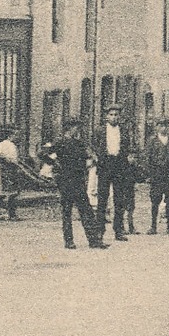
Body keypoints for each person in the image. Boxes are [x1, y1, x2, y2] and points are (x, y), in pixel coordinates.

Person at [42, 118, 106, 250]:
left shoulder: (79, 143)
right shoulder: (59, 142)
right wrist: (54, 163)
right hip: (65, 180)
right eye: (76, 127)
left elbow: (88, 157)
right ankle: (69, 241)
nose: (78, 130)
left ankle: (94, 241)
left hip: (78, 180)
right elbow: (41, 153)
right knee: (67, 211)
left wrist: (91, 160)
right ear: (70, 128)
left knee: (86, 211)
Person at [93, 105, 132, 241]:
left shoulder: (124, 130)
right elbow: (94, 146)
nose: (114, 117)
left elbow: (127, 147)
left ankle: (119, 230)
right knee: (102, 199)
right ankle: (99, 230)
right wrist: (98, 157)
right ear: (106, 116)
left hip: (119, 165)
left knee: (119, 199)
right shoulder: (100, 130)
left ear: (119, 117)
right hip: (105, 165)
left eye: (116, 115)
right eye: (111, 115)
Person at [143, 118, 169, 235]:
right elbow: (147, 158)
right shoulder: (152, 140)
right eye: (161, 125)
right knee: (155, 200)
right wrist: (149, 174)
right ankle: (153, 226)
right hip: (157, 174)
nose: (164, 128)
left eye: (166, 125)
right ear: (156, 127)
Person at [0, 126, 26, 221]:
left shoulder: (14, 145)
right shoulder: (4, 144)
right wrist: (5, 160)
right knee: (2, 193)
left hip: (12, 170)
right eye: (16, 135)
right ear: (10, 135)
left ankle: (11, 214)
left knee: (13, 193)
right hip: (3, 170)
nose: (18, 137)